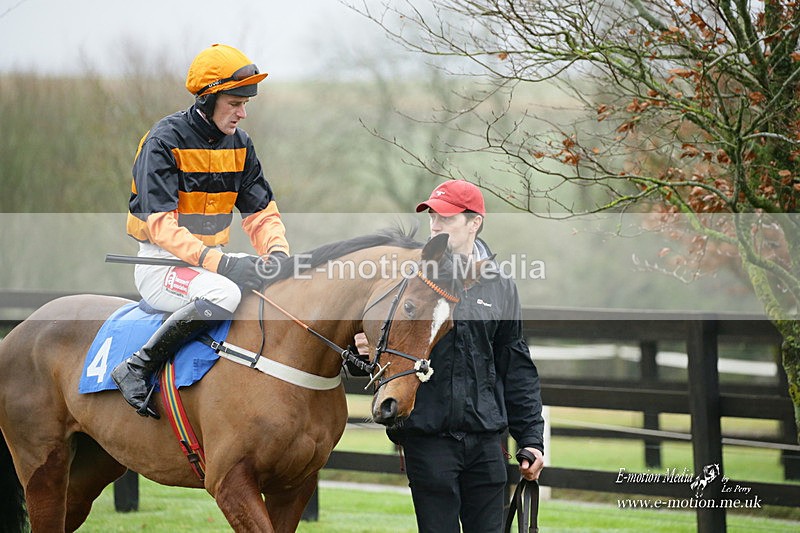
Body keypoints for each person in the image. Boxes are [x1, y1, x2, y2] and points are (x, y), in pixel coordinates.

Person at [111, 43, 290, 419]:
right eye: (234, 103)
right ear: (208, 99)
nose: (242, 113)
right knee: (224, 293)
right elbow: (161, 225)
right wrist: (219, 264)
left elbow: (261, 212)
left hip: (209, 263)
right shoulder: (162, 141)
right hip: (162, 264)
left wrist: (277, 256)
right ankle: (137, 367)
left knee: (276, 285)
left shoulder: (241, 145)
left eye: (245, 104)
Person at [356, 180, 545, 532]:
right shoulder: (412, 278)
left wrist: (531, 439)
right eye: (432, 218)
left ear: (474, 223)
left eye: (446, 218)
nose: (435, 226)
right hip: (428, 441)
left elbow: (516, 367)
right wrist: (364, 349)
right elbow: (378, 347)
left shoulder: (500, 285)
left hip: (486, 443)